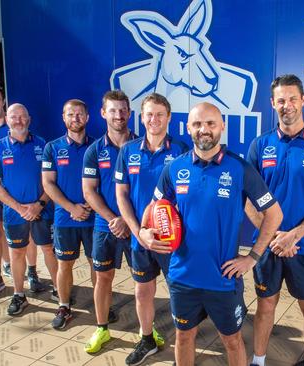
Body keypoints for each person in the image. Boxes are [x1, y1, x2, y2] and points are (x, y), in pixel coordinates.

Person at [139, 102, 283, 366]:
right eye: (197, 124)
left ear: (222, 127)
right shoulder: (174, 168)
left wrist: (252, 257)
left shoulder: (240, 168)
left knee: (231, 341)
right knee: (183, 337)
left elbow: (275, 214)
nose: (203, 129)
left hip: (223, 278)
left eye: (210, 124)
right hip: (183, 276)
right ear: (188, 128)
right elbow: (153, 206)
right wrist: (143, 231)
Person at [246, 74, 304, 366]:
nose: (287, 105)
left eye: (292, 99)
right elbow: (248, 200)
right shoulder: (260, 145)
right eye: (281, 100)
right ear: (273, 103)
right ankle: (258, 361)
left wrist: (293, 235)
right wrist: (273, 237)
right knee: (265, 305)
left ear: (303, 100)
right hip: (267, 245)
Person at [115, 93, 188, 365]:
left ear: (169, 117)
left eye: (160, 114)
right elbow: (121, 195)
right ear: (141, 117)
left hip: (172, 240)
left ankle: (184, 340)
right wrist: (138, 232)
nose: (154, 119)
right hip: (140, 239)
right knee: (142, 291)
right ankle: (147, 339)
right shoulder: (128, 151)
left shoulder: (182, 151)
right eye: (149, 114)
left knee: (179, 291)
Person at [0, 82, 45, 299]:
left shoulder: (15, 121)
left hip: (18, 194)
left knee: (28, 233)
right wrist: (0, 189)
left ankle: (31, 272)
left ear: (3, 101)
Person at [0, 103, 58, 316]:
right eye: (13, 117)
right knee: (17, 253)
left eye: (22, 116)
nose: (18, 120)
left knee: (48, 249)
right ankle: (19, 295)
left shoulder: (42, 144)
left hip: (42, 210)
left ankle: (58, 291)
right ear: (7, 120)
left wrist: (39, 204)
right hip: (14, 213)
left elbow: (51, 181)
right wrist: (19, 208)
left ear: (29, 119)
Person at [82, 90, 137, 354]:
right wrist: (113, 219)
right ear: (103, 113)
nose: (118, 115)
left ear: (130, 112)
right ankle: (102, 328)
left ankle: (147, 330)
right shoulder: (94, 151)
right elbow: (89, 191)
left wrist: (130, 222)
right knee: (102, 278)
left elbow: (150, 189)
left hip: (138, 228)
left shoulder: (143, 145)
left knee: (144, 281)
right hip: (106, 227)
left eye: (123, 109)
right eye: (112, 110)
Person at [42, 99, 96, 329]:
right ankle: (63, 306)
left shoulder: (97, 147)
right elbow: (48, 184)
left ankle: (101, 303)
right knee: (65, 264)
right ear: (64, 118)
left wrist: (91, 205)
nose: (76, 118)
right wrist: (72, 207)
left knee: (98, 264)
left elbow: (106, 183)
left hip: (95, 219)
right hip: (65, 219)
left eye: (80, 114)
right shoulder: (52, 148)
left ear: (88, 117)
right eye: (71, 114)